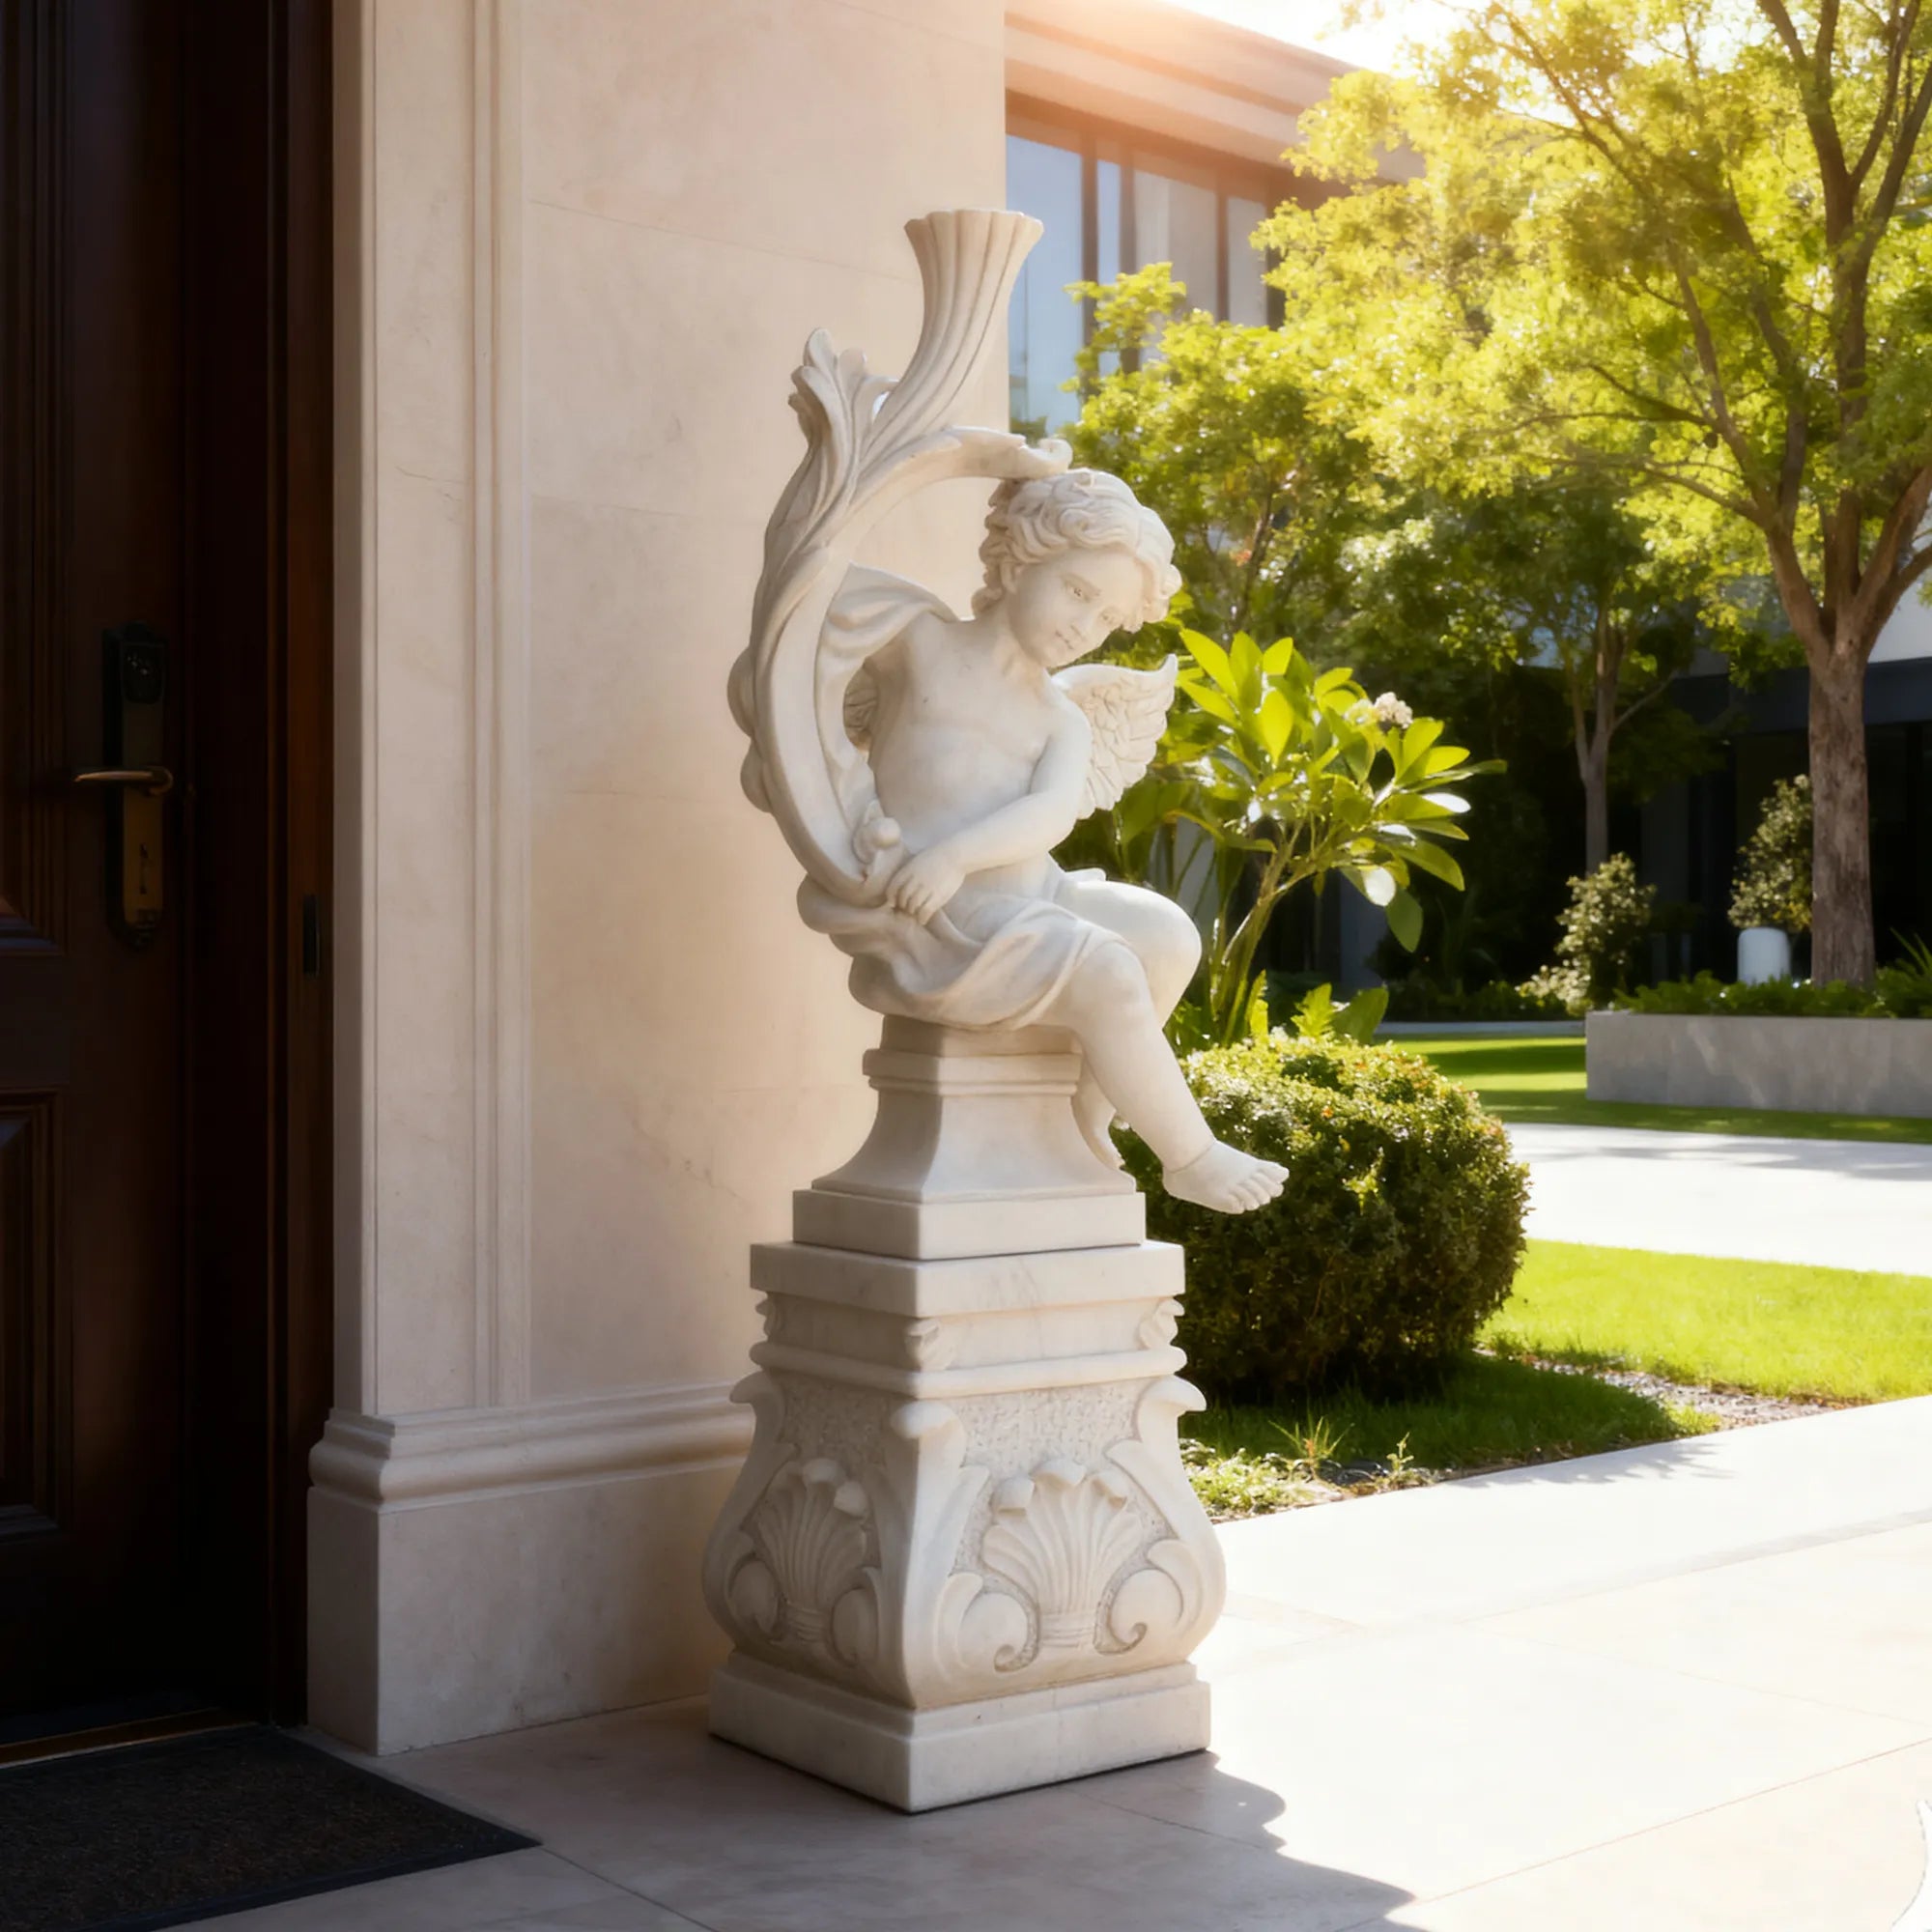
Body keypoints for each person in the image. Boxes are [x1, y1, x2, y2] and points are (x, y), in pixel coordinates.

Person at [801, 469, 1287, 1214]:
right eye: (1078, 592)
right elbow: (806, 591)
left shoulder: (1061, 715)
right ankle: (1190, 1156)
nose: (1082, 626)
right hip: (942, 916)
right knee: (1105, 971)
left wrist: (958, 851)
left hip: (1024, 890)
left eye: (1104, 619)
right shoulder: (917, 642)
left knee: (1165, 935)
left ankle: (1087, 1113)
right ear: (1022, 559)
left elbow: (1053, 814)